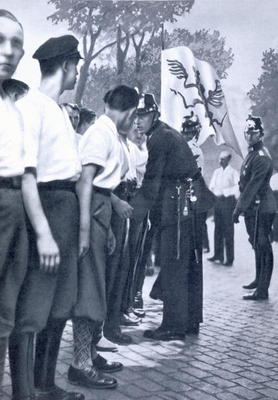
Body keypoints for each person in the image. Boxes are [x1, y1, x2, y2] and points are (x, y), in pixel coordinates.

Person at [9, 35, 85, 400]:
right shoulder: (31, 105)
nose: (77, 72)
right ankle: (24, 392)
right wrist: (43, 233)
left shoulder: (58, 110)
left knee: (61, 304)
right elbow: (27, 175)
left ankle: (44, 384)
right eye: (76, 65)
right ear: (67, 65)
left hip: (65, 208)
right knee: (34, 308)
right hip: (47, 205)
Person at [69, 85, 139, 388]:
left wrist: (106, 224)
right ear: (130, 111)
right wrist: (86, 230)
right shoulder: (101, 133)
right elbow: (85, 182)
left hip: (101, 208)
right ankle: (80, 364)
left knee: (98, 285)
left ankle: (90, 353)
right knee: (89, 287)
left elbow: (101, 185)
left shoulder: (111, 132)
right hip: (93, 208)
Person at [130, 93, 215, 341]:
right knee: (188, 264)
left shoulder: (160, 138)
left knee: (174, 262)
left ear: (154, 114)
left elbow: (151, 182)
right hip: (189, 202)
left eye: (143, 115)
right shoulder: (164, 133)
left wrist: (132, 210)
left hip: (179, 205)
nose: (138, 121)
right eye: (136, 116)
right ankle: (188, 322)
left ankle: (173, 326)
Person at [0, 9, 27, 386]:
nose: (8, 51)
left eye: (16, 43)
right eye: (0, 40)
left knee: (7, 313)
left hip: (15, 203)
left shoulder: (15, 104)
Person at [233, 115, 276, 300]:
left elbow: (253, 186)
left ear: (261, 134)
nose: (250, 136)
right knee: (257, 245)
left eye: (254, 133)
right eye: (247, 132)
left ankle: (263, 290)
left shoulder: (261, 157)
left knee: (263, 245)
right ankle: (259, 280)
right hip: (254, 207)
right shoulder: (252, 153)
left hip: (261, 206)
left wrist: (238, 208)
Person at [181, 112, 210, 253]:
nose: (186, 135)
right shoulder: (191, 147)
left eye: (188, 133)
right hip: (193, 190)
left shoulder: (190, 149)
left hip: (191, 191)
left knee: (190, 230)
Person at [208, 150, 239, 266]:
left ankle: (230, 258)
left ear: (228, 159)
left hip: (228, 201)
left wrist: (226, 192)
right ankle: (218, 254)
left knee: (228, 230)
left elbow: (238, 186)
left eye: (223, 159)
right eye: (219, 159)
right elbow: (212, 185)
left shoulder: (233, 172)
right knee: (218, 229)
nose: (220, 161)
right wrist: (215, 192)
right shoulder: (217, 172)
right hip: (218, 201)